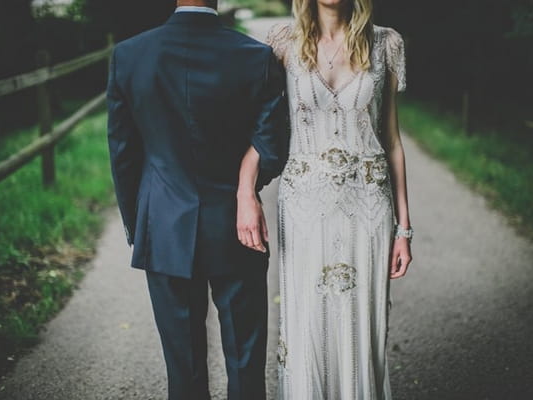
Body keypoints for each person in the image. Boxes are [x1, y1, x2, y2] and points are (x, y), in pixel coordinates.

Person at [105, 1, 289, 399]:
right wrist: (246, 189)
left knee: (183, 369)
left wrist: (138, 222)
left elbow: (123, 152)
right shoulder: (255, 57)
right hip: (238, 226)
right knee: (245, 360)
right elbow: (272, 147)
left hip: (164, 226)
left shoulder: (130, 55)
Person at [260, 0, 413, 398]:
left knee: (361, 322)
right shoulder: (282, 43)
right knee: (307, 319)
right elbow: (266, 126)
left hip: (368, 203)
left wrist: (404, 229)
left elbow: (393, 141)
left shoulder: (386, 44)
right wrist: (245, 188)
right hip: (303, 207)